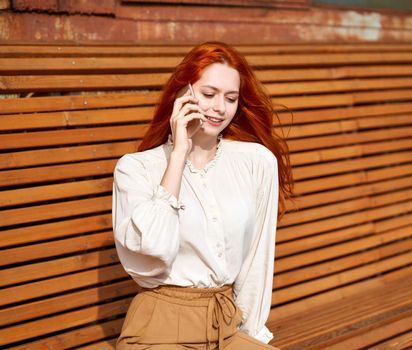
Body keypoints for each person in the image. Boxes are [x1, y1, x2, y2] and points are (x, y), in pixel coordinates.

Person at [112, 41, 293, 350]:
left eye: (231, 98)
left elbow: (255, 264)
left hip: (225, 326)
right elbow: (152, 255)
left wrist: (251, 338)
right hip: (158, 330)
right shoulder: (136, 169)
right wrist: (179, 152)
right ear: (183, 93)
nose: (220, 108)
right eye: (209, 94)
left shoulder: (256, 162)